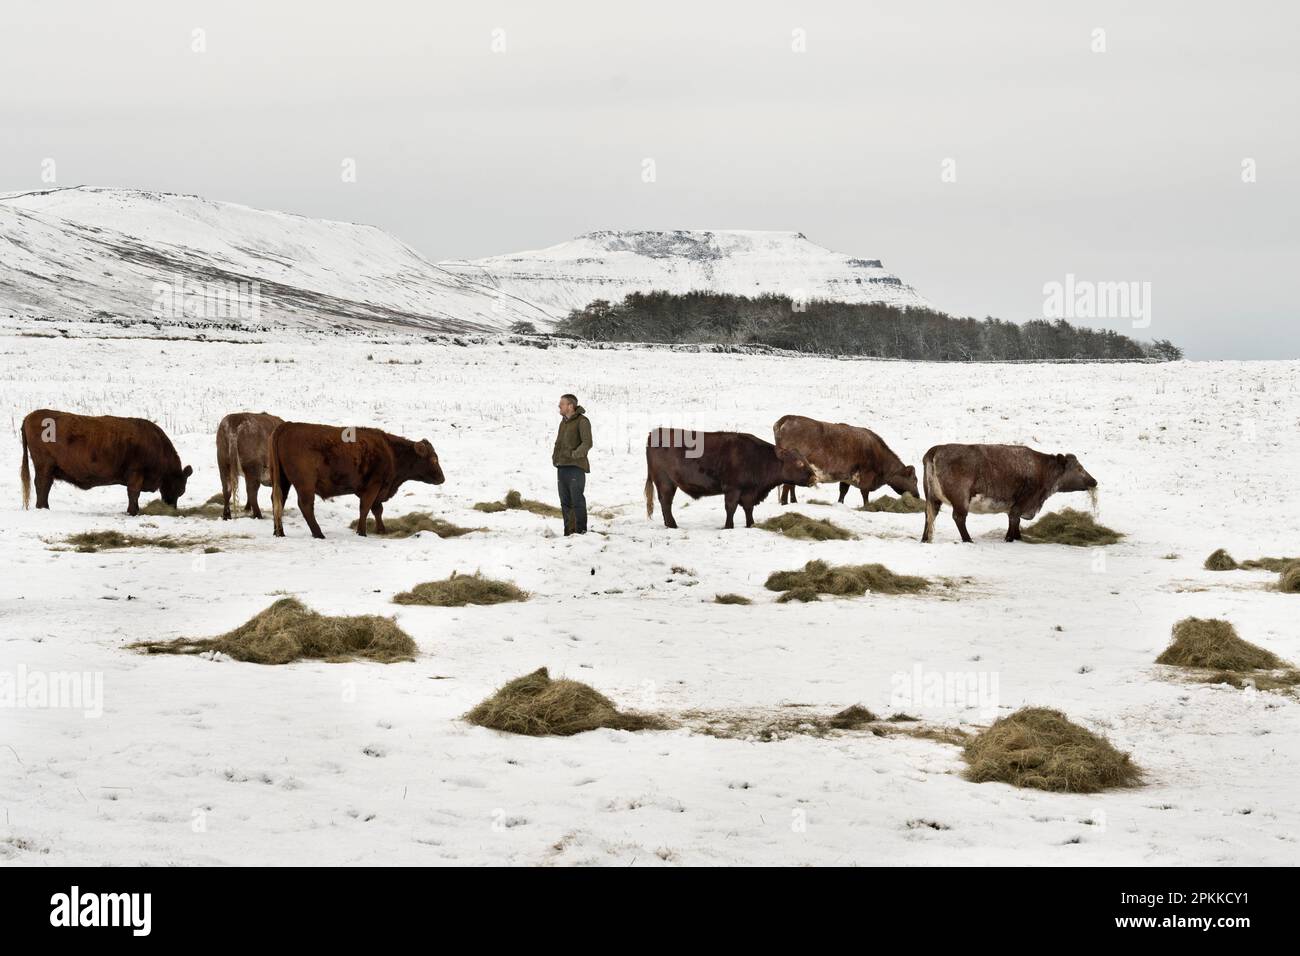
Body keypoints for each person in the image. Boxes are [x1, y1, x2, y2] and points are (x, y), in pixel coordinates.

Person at [552, 393, 592, 535]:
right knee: (565, 502)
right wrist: (555, 458)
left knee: (577, 500)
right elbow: (559, 443)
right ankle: (568, 532)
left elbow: (587, 443)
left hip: (576, 468)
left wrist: (575, 455)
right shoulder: (563, 423)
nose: (559, 406)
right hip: (561, 467)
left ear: (570, 406)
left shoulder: (582, 421)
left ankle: (581, 532)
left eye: (562, 404)